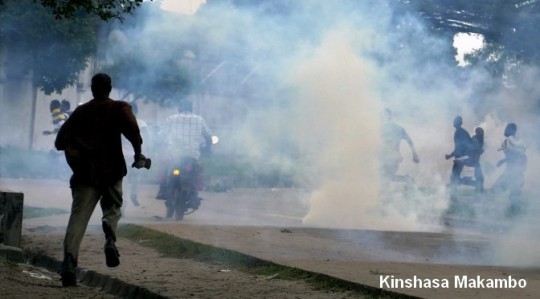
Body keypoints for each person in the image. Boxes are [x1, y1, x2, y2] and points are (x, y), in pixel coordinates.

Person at [54, 73, 150, 287]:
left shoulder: (80, 112)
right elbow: (133, 131)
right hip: (111, 171)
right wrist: (138, 153)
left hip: (85, 175)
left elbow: (60, 142)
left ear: (92, 88)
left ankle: (69, 262)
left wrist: (77, 147)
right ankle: (109, 238)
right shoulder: (118, 108)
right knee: (113, 207)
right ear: (110, 88)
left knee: (77, 219)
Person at [156, 101, 212, 201]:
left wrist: (159, 145)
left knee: (165, 167)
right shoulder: (200, 120)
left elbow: (161, 135)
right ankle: (195, 192)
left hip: (174, 154)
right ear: (192, 109)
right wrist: (208, 149)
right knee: (197, 171)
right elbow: (208, 136)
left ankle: (162, 190)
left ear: (179, 108)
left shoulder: (171, 119)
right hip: (193, 154)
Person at [491, 123, 527, 217]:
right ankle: (515, 217)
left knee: (495, 190)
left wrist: (503, 160)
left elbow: (515, 156)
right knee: (514, 197)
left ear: (512, 130)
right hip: (518, 173)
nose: (505, 130)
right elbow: (523, 156)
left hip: (511, 174)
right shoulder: (520, 142)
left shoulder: (509, 140)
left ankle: (487, 213)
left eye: (507, 128)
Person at [379, 108, 419, 183]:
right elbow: (409, 141)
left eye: (382, 115)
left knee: (384, 178)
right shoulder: (398, 128)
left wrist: (415, 155)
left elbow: (409, 141)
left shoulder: (382, 128)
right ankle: (406, 179)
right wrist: (415, 155)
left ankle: (406, 179)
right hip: (387, 157)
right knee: (384, 178)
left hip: (391, 158)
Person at [445, 116, 472, 188]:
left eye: (455, 121)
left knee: (454, 176)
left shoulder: (459, 132)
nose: (453, 122)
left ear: (459, 123)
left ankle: (468, 181)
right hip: (462, 156)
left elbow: (459, 147)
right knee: (455, 176)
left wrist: (450, 155)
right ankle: (453, 193)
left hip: (461, 157)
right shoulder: (461, 131)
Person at [462, 127, 485, 192]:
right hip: (473, 160)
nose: (482, 133)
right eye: (480, 132)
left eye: (482, 132)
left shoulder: (479, 139)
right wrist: (480, 151)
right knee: (480, 177)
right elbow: (474, 149)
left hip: (474, 160)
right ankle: (462, 181)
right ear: (477, 132)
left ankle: (478, 188)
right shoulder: (475, 139)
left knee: (479, 177)